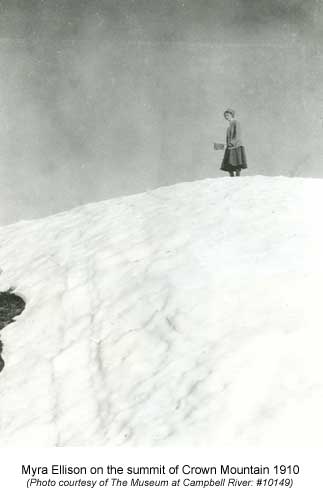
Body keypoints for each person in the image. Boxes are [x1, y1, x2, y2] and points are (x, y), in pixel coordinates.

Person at [214, 108, 248, 177]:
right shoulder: (228, 127)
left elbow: (237, 135)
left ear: (232, 115)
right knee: (229, 164)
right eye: (225, 116)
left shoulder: (236, 122)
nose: (226, 117)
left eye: (227, 115)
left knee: (237, 163)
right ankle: (232, 179)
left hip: (236, 146)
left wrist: (232, 143)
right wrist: (227, 145)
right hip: (230, 147)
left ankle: (237, 178)